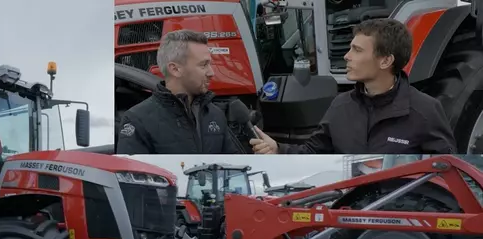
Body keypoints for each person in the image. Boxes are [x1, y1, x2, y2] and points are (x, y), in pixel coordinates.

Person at [250, 18, 456, 154]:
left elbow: (446, 173)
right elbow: (313, 153)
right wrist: (277, 148)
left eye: (357, 50)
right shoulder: (340, 107)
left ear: (385, 61)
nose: (347, 56)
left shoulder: (425, 111)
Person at [115, 30, 246, 154]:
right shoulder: (137, 120)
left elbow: (233, 170)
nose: (211, 72)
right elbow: (131, 175)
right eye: (203, 65)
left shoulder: (214, 115)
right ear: (175, 69)